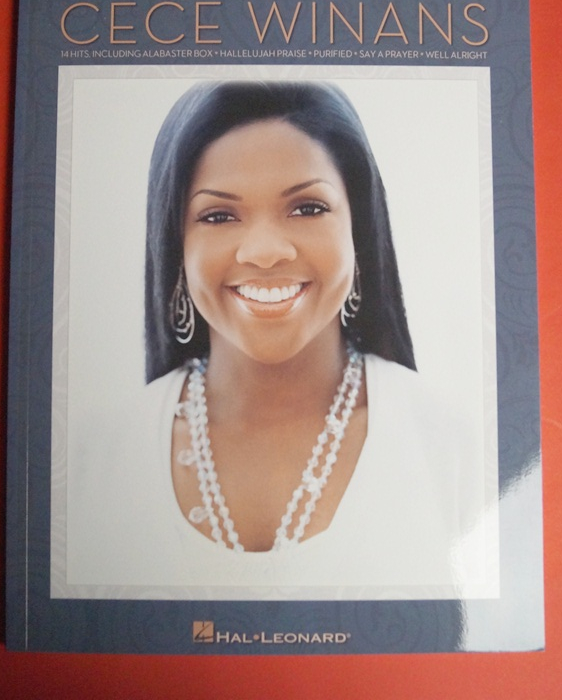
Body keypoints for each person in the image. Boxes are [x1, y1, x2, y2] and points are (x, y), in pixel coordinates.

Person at [65, 81, 489, 598]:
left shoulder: (450, 447)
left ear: (358, 230)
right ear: (177, 246)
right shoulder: (94, 459)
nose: (265, 252)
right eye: (219, 216)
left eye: (307, 208)